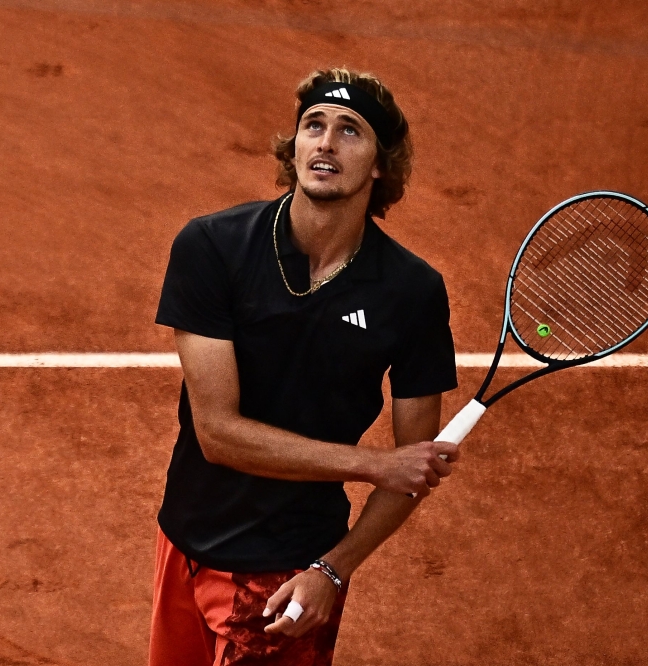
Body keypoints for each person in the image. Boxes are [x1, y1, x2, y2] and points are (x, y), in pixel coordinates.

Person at [149, 67, 460, 666]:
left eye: (350, 132)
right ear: (293, 148)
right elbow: (218, 434)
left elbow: (413, 466)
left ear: (378, 166)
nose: (325, 142)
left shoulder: (413, 292)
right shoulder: (212, 247)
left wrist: (334, 570)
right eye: (313, 126)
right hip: (183, 539)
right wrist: (373, 465)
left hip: (287, 572)